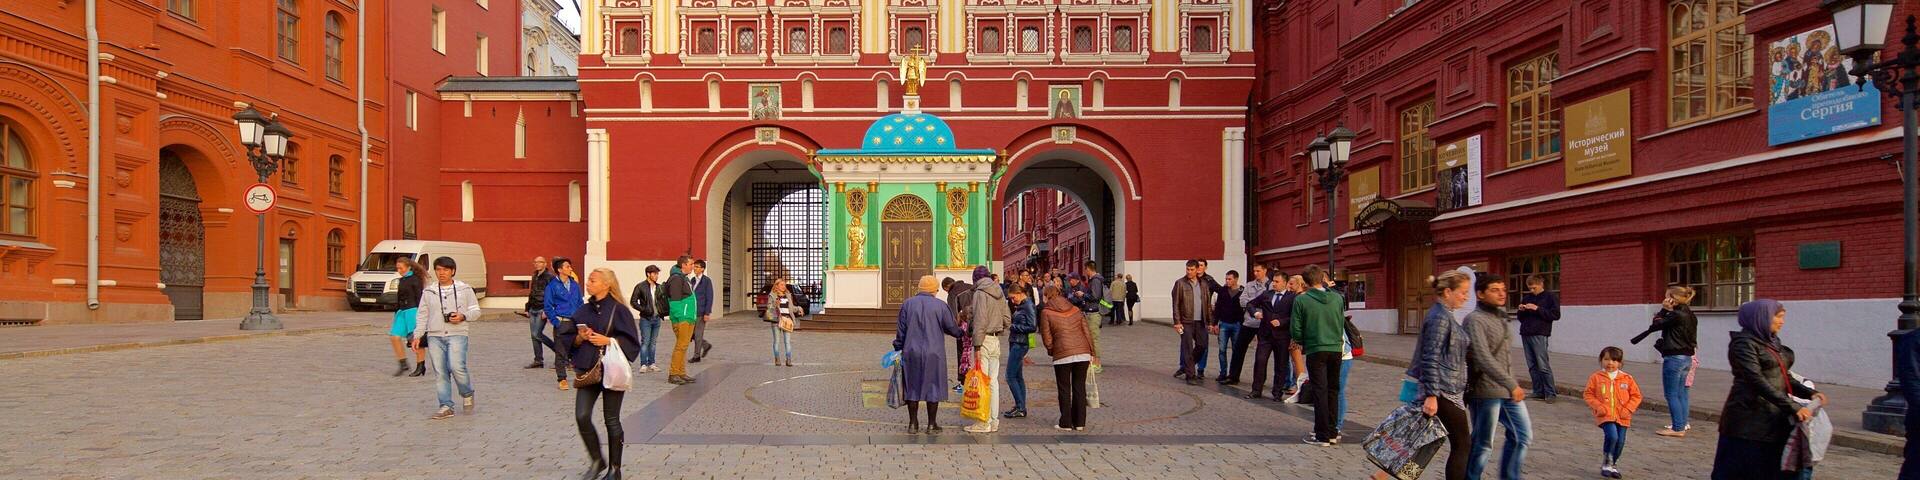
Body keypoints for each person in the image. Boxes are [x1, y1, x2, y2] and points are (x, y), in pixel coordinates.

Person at [1710, 299, 1826, 480]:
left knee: (1770, 470)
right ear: (1761, 318)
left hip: (1773, 418)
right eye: (1778, 317)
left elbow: (1783, 376)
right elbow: (1756, 380)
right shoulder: (1743, 344)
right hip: (1748, 420)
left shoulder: (1771, 342)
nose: (1782, 322)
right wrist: (1793, 407)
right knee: (1741, 470)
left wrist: (1809, 393)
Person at [559, 267, 640, 480]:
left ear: (606, 284)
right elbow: (566, 337)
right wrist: (579, 338)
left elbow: (633, 343)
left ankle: (615, 469)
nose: (588, 283)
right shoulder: (583, 310)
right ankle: (597, 460)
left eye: (593, 280)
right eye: (588, 280)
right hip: (588, 370)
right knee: (582, 415)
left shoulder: (619, 309)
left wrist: (609, 340)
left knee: (611, 419)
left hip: (611, 370)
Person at [1463, 274, 1531, 479]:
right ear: (1480, 294)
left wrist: (1511, 384)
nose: (1502, 293)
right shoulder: (1474, 320)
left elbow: (1504, 356)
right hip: (1485, 390)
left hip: (1507, 389)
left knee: (1523, 436)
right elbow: (1482, 357)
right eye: (1495, 290)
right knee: (1483, 443)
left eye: (1503, 289)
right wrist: (1511, 384)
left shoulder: (1500, 316)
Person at [1411, 270, 1475, 480]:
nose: (1466, 297)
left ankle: (1381, 475)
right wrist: (1431, 395)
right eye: (1463, 292)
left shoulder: (1445, 314)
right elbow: (1430, 357)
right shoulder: (1440, 317)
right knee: (1462, 444)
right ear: (1448, 292)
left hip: (1448, 389)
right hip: (1443, 391)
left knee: (1425, 442)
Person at [893, 275, 967, 433]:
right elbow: (951, 328)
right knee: (933, 386)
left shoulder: (907, 304)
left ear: (919, 288)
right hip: (934, 352)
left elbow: (901, 330)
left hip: (911, 351)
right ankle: (931, 424)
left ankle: (913, 424)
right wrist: (962, 332)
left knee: (911, 386)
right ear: (935, 290)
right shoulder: (940, 306)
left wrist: (898, 346)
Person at [414, 256, 482, 420]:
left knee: (456, 367)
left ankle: (467, 392)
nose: (441, 273)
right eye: (438, 269)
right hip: (435, 335)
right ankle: (446, 406)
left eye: (445, 269)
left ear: (452, 271)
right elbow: (422, 314)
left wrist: (463, 316)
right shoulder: (429, 291)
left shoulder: (465, 289)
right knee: (441, 372)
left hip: (457, 333)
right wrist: (417, 335)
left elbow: (476, 311)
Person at [1292, 266, 1349, 446]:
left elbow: (1296, 327)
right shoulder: (1337, 298)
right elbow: (1341, 321)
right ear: (1321, 279)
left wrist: (1302, 340)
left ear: (1306, 282)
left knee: (1320, 390)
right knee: (1333, 389)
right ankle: (1333, 431)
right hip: (1335, 347)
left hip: (1316, 348)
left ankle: (1322, 434)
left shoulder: (1302, 300)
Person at [1631, 286, 1699, 437]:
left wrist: (1663, 310)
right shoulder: (1690, 314)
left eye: (1666, 296)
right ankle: (1681, 424)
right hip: (1686, 357)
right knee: (1681, 393)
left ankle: (1677, 428)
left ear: (1672, 298)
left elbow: (1656, 325)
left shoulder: (1676, 315)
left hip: (1674, 357)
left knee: (1671, 394)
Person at [1039, 285, 1098, 431]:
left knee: (1064, 388)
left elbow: (1047, 338)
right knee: (1079, 387)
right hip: (1082, 351)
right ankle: (1080, 422)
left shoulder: (1046, 312)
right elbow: (1087, 331)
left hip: (1062, 354)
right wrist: (1092, 352)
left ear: (1046, 296)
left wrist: (1053, 350)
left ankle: (1065, 422)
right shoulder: (1075, 309)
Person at [1583, 346, 1642, 479]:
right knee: (1612, 436)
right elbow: (1588, 394)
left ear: (1620, 363)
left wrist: (1628, 409)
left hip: (1623, 416)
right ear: (1601, 360)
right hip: (1605, 415)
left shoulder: (1627, 378)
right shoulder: (1596, 377)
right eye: (1607, 359)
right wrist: (1598, 406)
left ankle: (1613, 464)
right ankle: (1606, 463)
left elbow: (1636, 396)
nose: (1610, 363)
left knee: (1620, 441)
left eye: (1615, 360)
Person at [966, 266, 1011, 433]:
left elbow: (980, 320)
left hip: (983, 339)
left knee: (981, 382)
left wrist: (977, 345)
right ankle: (994, 420)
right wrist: (998, 325)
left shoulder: (980, 293)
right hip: (995, 339)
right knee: (993, 382)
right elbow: (1007, 319)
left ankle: (982, 421)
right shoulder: (998, 291)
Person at [1247, 273, 1296, 400]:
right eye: (1273, 281)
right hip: (1265, 335)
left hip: (1282, 336)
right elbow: (1250, 304)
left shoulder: (1292, 297)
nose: (1274, 283)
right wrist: (1256, 313)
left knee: (1281, 364)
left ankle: (1277, 392)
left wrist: (1282, 322)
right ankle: (1256, 390)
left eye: (1277, 281)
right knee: (1260, 361)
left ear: (1285, 283)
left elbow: (1295, 316)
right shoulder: (1266, 295)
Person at [1516, 275, 1561, 403]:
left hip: (1540, 333)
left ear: (1541, 284)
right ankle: (1538, 391)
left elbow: (1555, 315)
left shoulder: (1550, 297)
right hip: (1526, 333)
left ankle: (1550, 392)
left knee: (1543, 365)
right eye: (1529, 288)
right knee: (1532, 365)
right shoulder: (1527, 297)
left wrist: (1537, 309)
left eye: (1534, 288)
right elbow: (1521, 318)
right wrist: (1522, 310)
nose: (1532, 291)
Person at [1172, 259, 1216, 386]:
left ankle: (1187, 366)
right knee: (1187, 347)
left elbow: (1207, 304)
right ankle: (1190, 375)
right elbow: (1175, 303)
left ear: (1198, 270)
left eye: (1192, 269)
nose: (1189, 272)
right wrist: (1177, 321)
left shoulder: (1204, 284)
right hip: (1186, 321)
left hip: (1201, 320)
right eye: (1187, 269)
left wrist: (1210, 321)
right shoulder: (1180, 283)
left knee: (1202, 345)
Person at [1224, 264, 1269, 386]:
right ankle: (1233, 376)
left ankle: (1259, 380)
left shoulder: (1270, 285)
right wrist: (1255, 306)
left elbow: (1268, 303)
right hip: (1248, 322)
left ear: (1265, 271)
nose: (1255, 273)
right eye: (1254, 271)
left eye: (1258, 271)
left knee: (1262, 353)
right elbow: (1242, 301)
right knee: (1238, 349)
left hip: (1263, 323)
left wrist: (1252, 304)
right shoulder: (1249, 285)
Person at [544, 257, 584, 391]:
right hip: (561, 322)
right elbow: (548, 306)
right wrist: (556, 322)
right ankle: (562, 379)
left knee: (578, 350)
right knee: (561, 352)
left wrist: (581, 320)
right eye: (567, 267)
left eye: (570, 266)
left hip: (575, 322)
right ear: (559, 270)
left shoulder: (574, 285)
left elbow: (580, 303)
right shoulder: (552, 286)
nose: (570, 269)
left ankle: (581, 375)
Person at [1074, 262, 1107, 407]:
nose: (1085, 272)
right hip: (1092, 312)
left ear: (1089, 269)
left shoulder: (1096, 280)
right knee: (1092, 338)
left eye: (1086, 270)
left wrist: (1083, 294)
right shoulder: (1096, 280)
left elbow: (1095, 296)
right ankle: (1094, 361)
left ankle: (1097, 363)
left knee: (1094, 338)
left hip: (1094, 313)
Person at [1003, 285, 1038, 419]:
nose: (1012, 301)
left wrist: (1013, 326)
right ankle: (1020, 405)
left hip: (1020, 343)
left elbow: (1032, 326)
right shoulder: (1023, 305)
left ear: (1019, 293)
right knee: (1018, 376)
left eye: (1013, 298)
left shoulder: (1028, 305)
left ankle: (1020, 406)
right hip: (1017, 341)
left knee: (1010, 376)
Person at [388, 258, 428, 377]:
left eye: (401, 268)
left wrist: (421, 314)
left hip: (413, 311)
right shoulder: (402, 280)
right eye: (397, 268)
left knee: (415, 339)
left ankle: (420, 365)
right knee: (394, 336)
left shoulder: (415, 280)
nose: (399, 270)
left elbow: (420, 298)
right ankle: (403, 364)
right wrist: (397, 309)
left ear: (409, 267)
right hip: (402, 311)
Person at [665, 256, 699, 384]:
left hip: (688, 317)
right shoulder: (676, 279)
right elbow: (674, 301)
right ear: (683, 265)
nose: (693, 266)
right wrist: (681, 318)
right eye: (691, 264)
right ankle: (673, 373)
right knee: (680, 346)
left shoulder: (684, 278)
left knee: (683, 346)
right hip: (682, 318)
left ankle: (681, 372)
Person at [628, 265, 668, 374]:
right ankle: (643, 364)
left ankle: (652, 363)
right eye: (654, 273)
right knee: (645, 341)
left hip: (657, 318)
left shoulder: (659, 287)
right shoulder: (640, 286)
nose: (656, 276)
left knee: (653, 342)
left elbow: (663, 301)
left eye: (657, 273)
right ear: (648, 274)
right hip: (646, 318)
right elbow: (633, 301)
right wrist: (644, 309)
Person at [525, 256, 555, 370]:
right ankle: (538, 360)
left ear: (545, 264)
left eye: (540, 262)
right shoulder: (534, 276)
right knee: (534, 336)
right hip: (533, 308)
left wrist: (548, 310)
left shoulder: (550, 277)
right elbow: (531, 292)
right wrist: (527, 308)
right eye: (535, 262)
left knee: (537, 334)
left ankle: (559, 352)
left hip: (543, 308)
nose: (537, 264)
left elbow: (552, 294)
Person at [764, 276, 798, 366]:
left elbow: (791, 308)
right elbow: (769, 307)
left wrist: (798, 308)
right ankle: (777, 359)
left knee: (787, 341)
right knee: (777, 341)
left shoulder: (788, 295)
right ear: (777, 286)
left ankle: (788, 359)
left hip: (787, 320)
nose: (784, 286)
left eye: (784, 285)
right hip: (776, 321)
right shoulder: (772, 295)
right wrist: (775, 304)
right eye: (782, 285)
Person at [688, 260, 715, 363]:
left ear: (703, 269)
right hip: (692, 311)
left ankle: (696, 356)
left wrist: (707, 312)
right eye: (694, 266)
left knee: (698, 334)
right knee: (691, 333)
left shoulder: (706, 281)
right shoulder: (692, 280)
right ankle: (705, 345)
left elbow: (709, 297)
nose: (695, 268)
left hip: (701, 311)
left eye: (697, 267)